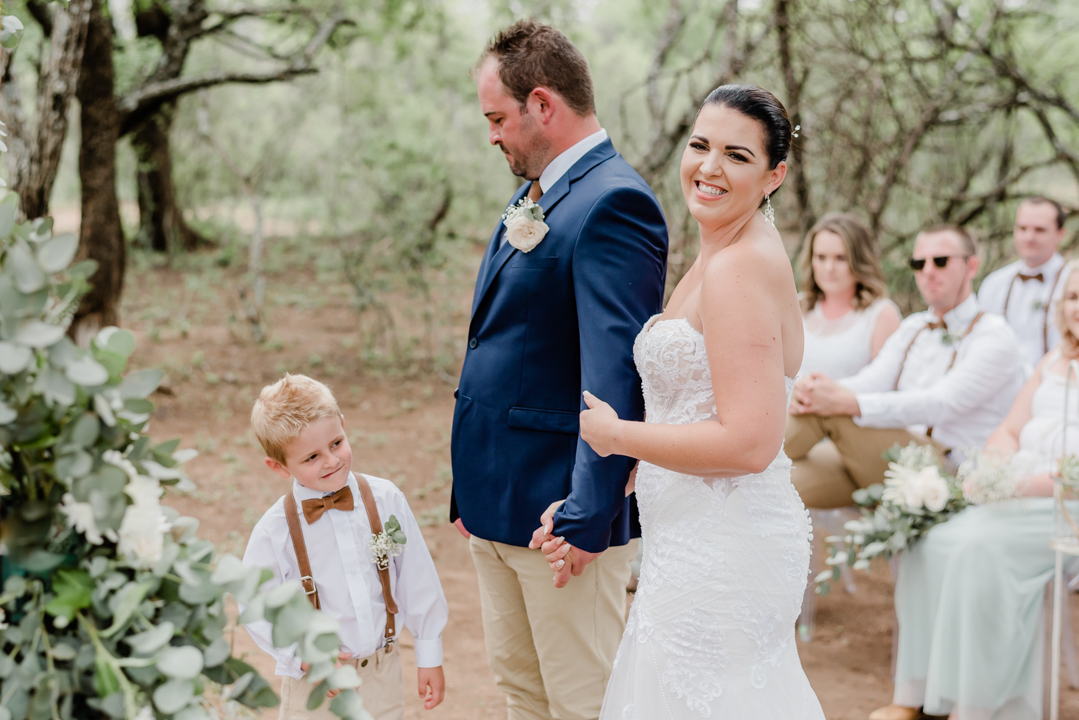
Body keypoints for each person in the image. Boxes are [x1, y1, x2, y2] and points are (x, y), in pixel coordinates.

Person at [536, 84, 824, 718]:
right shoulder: (719, 252)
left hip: (724, 550)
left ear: (774, 176)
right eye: (700, 145)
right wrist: (604, 494)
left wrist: (617, 436)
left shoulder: (739, 268)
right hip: (689, 536)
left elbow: (749, 443)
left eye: (737, 156)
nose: (709, 167)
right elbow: (690, 414)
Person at [449, 20, 668, 720]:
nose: (492, 136)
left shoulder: (614, 203)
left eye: (497, 118)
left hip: (558, 519)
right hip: (497, 503)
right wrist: (471, 492)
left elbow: (615, 377)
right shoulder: (538, 193)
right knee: (523, 696)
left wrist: (587, 517)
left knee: (583, 704)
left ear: (541, 104)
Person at [871, 261, 1079, 720]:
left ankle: (978, 703)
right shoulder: (1052, 361)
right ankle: (917, 693)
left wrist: (1020, 486)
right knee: (928, 542)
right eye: (1072, 297)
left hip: (1067, 506)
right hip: (1016, 492)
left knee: (976, 550)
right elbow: (1009, 429)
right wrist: (993, 470)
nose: (1077, 308)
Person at [242, 374, 448, 720]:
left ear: (343, 424)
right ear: (278, 466)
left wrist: (429, 653)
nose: (331, 461)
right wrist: (301, 654)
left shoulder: (385, 499)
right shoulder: (274, 530)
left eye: (336, 443)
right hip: (317, 684)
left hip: (382, 673)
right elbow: (255, 602)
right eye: (311, 457)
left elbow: (417, 578)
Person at [787, 225, 1025, 508]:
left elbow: (939, 403)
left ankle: (751, 452)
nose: (928, 272)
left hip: (949, 468)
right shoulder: (914, 327)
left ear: (971, 266)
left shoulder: (994, 336)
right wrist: (818, 388)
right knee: (784, 484)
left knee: (829, 411)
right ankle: (753, 467)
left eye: (940, 261)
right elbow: (873, 380)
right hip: (891, 456)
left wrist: (847, 402)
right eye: (919, 263)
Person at [797, 212, 901, 379]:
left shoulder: (881, 315)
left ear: (859, 261)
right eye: (821, 257)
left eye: (841, 258)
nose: (829, 268)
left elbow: (887, 383)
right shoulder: (797, 305)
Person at [978, 196, 1070, 375]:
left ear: (1060, 234)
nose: (1029, 237)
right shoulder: (993, 284)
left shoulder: (1073, 284)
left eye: (1039, 230)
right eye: (1022, 228)